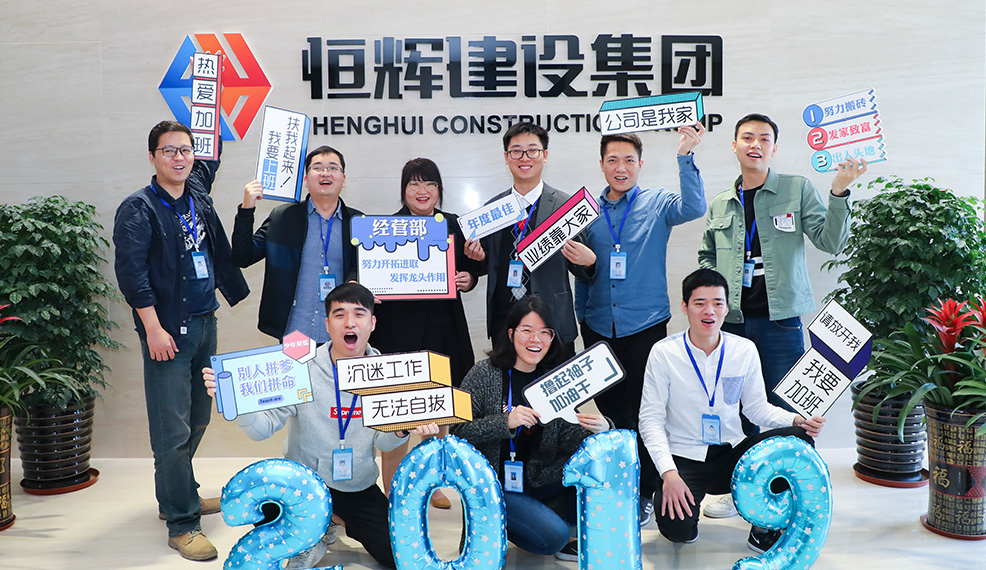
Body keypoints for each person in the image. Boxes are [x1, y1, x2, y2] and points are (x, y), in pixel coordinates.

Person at [203, 283, 438, 569]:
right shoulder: (301, 368)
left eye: (359, 314)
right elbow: (262, 430)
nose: (349, 322)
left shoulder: (388, 374)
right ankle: (317, 529)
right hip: (303, 486)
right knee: (271, 531)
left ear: (372, 323)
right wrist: (237, 405)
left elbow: (383, 442)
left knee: (398, 556)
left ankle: (331, 520)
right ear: (327, 324)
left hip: (357, 486)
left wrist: (402, 429)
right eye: (339, 315)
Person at [113, 120, 249, 561]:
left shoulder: (197, 195)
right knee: (171, 430)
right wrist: (153, 329)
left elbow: (211, 154)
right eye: (169, 151)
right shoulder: (139, 209)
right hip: (167, 330)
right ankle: (182, 522)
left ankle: (177, 491)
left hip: (205, 323)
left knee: (200, 417)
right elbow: (131, 275)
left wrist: (214, 106)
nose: (179, 158)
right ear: (152, 157)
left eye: (185, 150)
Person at [637, 268, 825, 553]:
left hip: (732, 453)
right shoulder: (664, 353)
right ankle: (685, 507)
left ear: (727, 308)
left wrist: (797, 419)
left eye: (717, 303)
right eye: (700, 303)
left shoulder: (744, 350)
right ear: (685, 307)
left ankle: (764, 525)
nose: (709, 311)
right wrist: (669, 474)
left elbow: (756, 409)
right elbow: (650, 420)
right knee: (677, 532)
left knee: (797, 439)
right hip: (685, 457)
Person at [575, 126, 706, 527]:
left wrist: (685, 155)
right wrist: (582, 317)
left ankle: (647, 489)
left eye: (629, 160)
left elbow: (694, 207)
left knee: (646, 412)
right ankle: (620, 484)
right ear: (601, 165)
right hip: (598, 325)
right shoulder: (586, 212)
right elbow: (580, 272)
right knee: (611, 412)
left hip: (645, 325)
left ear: (640, 164)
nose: (621, 167)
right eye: (613, 160)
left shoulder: (658, 202)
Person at [450, 295, 611, 561]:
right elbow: (457, 432)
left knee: (597, 465)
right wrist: (505, 422)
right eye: (527, 330)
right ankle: (486, 528)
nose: (536, 340)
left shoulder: (554, 378)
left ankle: (532, 521)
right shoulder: (484, 373)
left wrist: (601, 430)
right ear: (511, 333)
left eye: (545, 332)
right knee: (554, 537)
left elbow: (568, 438)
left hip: (537, 480)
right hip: (494, 484)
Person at [371, 158, 480, 509]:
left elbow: (471, 270)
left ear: (439, 190)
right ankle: (395, 494)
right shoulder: (385, 229)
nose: (422, 191)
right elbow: (369, 274)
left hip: (443, 331)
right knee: (399, 417)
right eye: (414, 184)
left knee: (439, 412)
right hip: (397, 334)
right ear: (403, 190)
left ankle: (433, 486)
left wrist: (469, 277)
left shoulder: (454, 224)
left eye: (430, 184)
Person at [464, 122, 596, 359]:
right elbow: (487, 265)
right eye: (516, 151)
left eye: (532, 150)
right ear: (507, 157)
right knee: (507, 383)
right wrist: (478, 258)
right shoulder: (492, 209)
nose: (524, 158)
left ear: (545, 155)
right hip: (505, 323)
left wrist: (589, 263)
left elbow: (581, 269)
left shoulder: (566, 206)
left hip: (552, 323)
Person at [232, 145, 363, 342]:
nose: (325, 173)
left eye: (333, 168)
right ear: (305, 179)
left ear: (343, 179)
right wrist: (246, 209)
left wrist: (354, 280)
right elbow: (243, 256)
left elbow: (363, 267)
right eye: (317, 167)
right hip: (294, 332)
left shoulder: (358, 222)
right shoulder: (283, 217)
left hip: (342, 333)